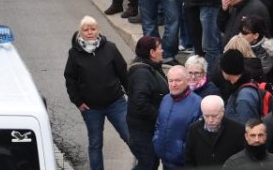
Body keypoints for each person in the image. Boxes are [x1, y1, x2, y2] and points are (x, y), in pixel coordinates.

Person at [64, 15, 131, 170]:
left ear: (98, 30)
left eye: (93, 29)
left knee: (130, 135)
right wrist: (78, 101)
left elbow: (123, 73)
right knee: (95, 143)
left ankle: (145, 164)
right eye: (85, 30)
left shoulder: (111, 48)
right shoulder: (74, 53)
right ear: (80, 32)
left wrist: (131, 95)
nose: (89, 32)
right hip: (91, 108)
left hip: (116, 102)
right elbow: (70, 79)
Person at [127, 36, 168, 170]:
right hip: (142, 130)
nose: (162, 51)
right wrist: (160, 116)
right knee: (147, 164)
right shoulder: (142, 74)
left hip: (147, 128)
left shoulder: (152, 68)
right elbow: (141, 103)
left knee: (151, 163)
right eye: (160, 48)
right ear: (152, 52)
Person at [154, 65, 202, 170]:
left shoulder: (197, 103)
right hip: (165, 161)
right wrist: (156, 140)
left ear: (187, 80)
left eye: (178, 80)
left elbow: (198, 138)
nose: (173, 84)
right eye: (170, 81)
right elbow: (158, 124)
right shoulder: (166, 99)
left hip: (183, 164)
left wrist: (182, 151)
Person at [185, 95, 246, 168]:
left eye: (214, 116)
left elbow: (243, 160)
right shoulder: (193, 130)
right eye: (206, 116)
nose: (210, 120)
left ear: (222, 111)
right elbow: (189, 160)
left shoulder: (238, 130)